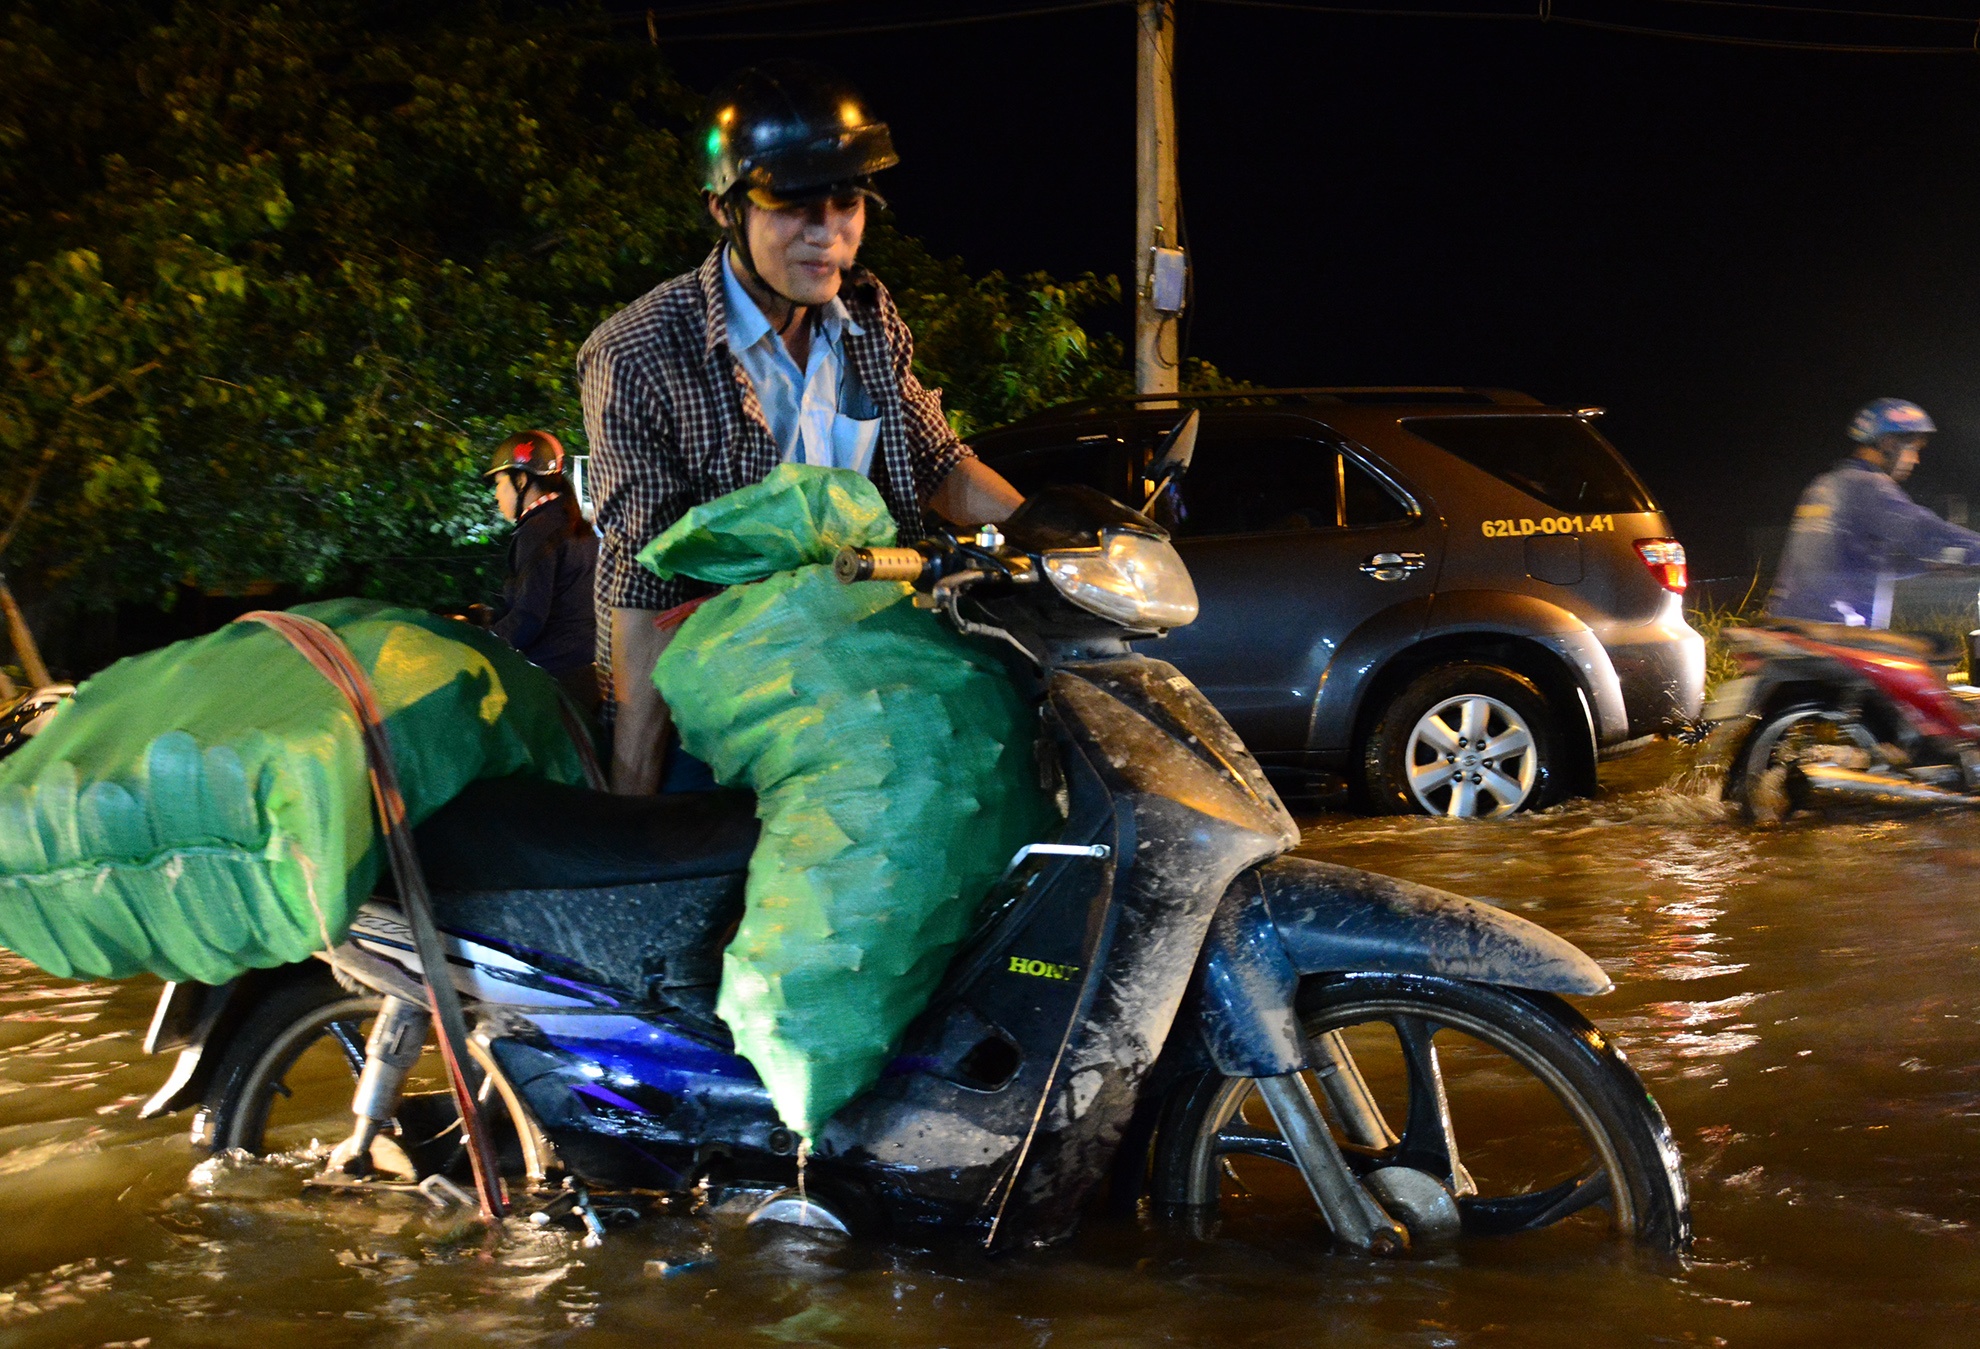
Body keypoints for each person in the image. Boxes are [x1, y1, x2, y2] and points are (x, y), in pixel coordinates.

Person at [578, 61, 1023, 794]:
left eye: (847, 201)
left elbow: (937, 461)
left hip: (857, 671)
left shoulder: (869, 320)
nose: (829, 234)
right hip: (711, 698)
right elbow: (643, 576)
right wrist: (634, 799)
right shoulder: (637, 353)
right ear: (723, 209)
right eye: (793, 205)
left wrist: (1054, 531)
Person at [1768, 398, 1980, 629]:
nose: (1916, 460)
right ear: (1888, 443)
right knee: (1934, 652)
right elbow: (1926, 532)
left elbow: (1861, 565)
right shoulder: (1868, 484)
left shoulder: (1826, 483)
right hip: (1832, 629)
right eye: (1914, 449)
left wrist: (1928, 567)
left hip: (1787, 622)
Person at [483, 430, 601, 711]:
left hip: (551, 683)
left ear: (521, 480)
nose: (497, 496)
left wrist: (482, 641)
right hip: (586, 675)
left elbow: (528, 618)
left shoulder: (537, 532)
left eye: (500, 484)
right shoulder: (572, 523)